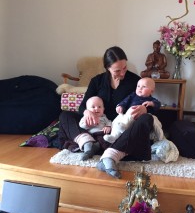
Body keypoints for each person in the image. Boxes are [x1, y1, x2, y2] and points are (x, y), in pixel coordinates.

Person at [59, 46, 155, 179]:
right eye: (117, 70)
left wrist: (146, 108)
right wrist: (87, 111)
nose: (122, 73)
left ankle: (110, 154)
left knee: (146, 120)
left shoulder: (135, 81)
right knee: (65, 115)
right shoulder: (96, 81)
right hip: (97, 129)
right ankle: (89, 143)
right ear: (107, 68)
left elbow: (151, 102)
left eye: (124, 68)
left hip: (122, 131)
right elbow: (82, 107)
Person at [103, 77, 161, 143]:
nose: (140, 88)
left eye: (144, 86)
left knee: (153, 119)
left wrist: (152, 103)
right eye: (138, 86)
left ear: (152, 91)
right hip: (128, 115)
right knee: (117, 119)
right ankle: (113, 136)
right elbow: (125, 101)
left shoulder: (151, 100)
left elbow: (158, 105)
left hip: (140, 120)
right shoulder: (133, 95)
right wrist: (120, 106)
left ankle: (159, 137)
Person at [77, 96, 112, 160]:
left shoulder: (104, 117)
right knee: (86, 140)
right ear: (87, 110)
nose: (97, 108)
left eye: (99, 107)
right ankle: (87, 150)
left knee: (103, 141)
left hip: (101, 134)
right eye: (93, 107)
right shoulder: (86, 118)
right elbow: (81, 125)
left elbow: (109, 122)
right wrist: (88, 124)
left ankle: (92, 150)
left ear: (103, 109)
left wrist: (108, 126)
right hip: (91, 135)